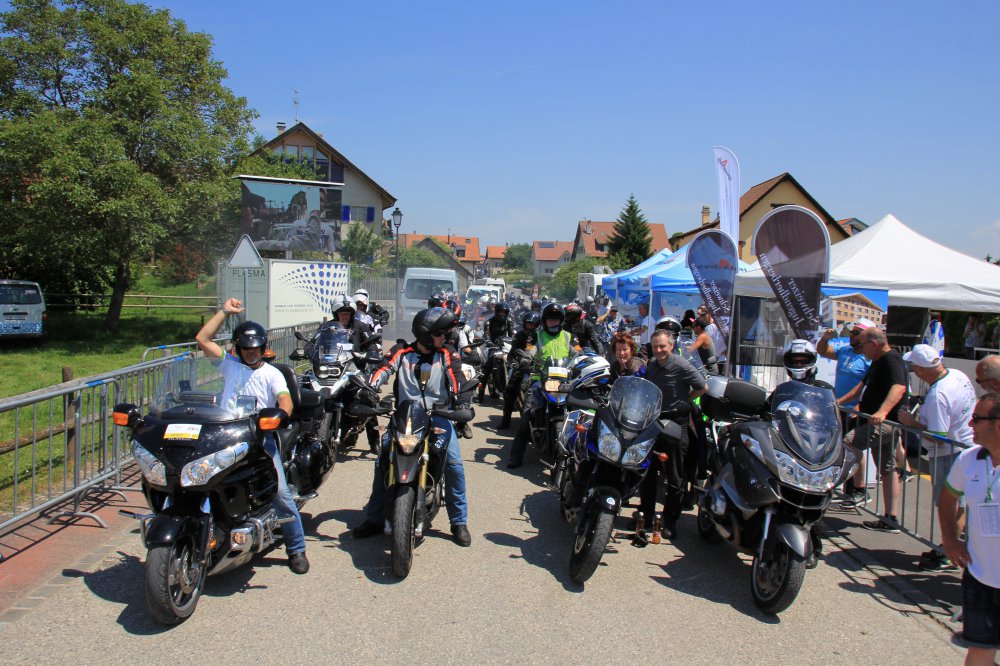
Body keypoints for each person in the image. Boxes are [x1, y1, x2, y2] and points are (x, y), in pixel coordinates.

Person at [195, 298, 309, 574]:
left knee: (280, 492)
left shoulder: (272, 374)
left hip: (259, 438)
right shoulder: (229, 364)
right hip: (225, 434)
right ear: (238, 348)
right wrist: (224, 311)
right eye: (246, 348)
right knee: (199, 479)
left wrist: (279, 415)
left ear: (263, 347)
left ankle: (296, 548)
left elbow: (285, 400)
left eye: (255, 348)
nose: (251, 352)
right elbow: (202, 339)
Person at [351, 307, 472, 547]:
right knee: (383, 461)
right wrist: (368, 389)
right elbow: (383, 369)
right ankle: (375, 518)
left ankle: (458, 522)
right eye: (440, 333)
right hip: (405, 416)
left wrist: (462, 400)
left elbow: (456, 376)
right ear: (426, 334)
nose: (445, 337)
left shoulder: (447, 353)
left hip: (438, 415)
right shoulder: (402, 351)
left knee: (454, 465)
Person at [896, 344, 975, 572]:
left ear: (921, 370)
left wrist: (910, 422)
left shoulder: (938, 395)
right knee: (957, 504)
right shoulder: (957, 375)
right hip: (964, 446)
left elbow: (939, 437)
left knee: (951, 505)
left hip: (949, 453)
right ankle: (950, 548)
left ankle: (950, 553)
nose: (914, 371)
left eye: (914, 367)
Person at [939, 392, 1000, 666]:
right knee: (978, 654)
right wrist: (950, 540)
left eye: (977, 418)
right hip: (979, 578)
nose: (970, 424)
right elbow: (947, 499)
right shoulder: (968, 459)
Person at [635, 329, 706, 539]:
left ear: (671, 346)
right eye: (655, 346)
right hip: (653, 422)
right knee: (647, 472)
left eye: (662, 346)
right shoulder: (651, 365)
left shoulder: (682, 365)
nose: (659, 350)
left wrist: (686, 401)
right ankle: (646, 516)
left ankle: (670, 521)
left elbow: (702, 386)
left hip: (676, 424)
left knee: (675, 477)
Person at [838, 327, 909, 533]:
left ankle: (859, 489)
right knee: (887, 468)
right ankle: (890, 519)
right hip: (875, 421)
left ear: (874, 344)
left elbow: (899, 387)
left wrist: (882, 412)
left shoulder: (891, 359)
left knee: (849, 442)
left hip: (884, 423)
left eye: (863, 345)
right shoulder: (877, 361)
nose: (861, 349)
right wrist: (838, 402)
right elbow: (860, 388)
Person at [774, 339, 832, 569]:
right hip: (788, 447)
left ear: (812, 361)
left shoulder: (824, 390)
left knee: (816, 494)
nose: (798, 364)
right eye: (794, 360)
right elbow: (767, 410)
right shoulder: (783, 389)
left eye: (803, 360)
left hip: (813, 449)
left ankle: (814, 541)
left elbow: (833, 420)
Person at [507, 303, 578, 468]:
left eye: (556, 320)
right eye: (550, 320)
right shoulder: (536, 336)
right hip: (540, 380)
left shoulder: (569, 336)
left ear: (561, 321)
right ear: (545, 321)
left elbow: (579, 352)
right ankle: (515, 456)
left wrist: (584, 360)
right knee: (527, 416)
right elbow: (529, 351)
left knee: (577, 413)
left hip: (564, 381)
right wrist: (525, 360)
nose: (553, 323)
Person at [817, 319, 874, 434]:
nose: (851, 335)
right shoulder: (845, 350)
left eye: (856, 333)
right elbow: (822, 351)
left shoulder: (870, 359)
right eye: (851, 332)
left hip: (855, 413)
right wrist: (825, 338)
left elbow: (872, 387)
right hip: (839, 407)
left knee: (848, 443)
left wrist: (860, 405)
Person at [498, 311, 541, 430]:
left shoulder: (541, 336)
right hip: (521, 366)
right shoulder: (520, 335)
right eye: (528, 324)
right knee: (510, 391)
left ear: (537, 325)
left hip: (538, 368)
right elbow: (513, 351)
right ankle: (506, 420)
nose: (529, 327)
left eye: (532, 325)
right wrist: (516, 363)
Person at [478, 302, 515, 402]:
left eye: (504, 312)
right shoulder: (489, 322)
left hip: (504, 346)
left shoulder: (508, 321)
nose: (502, 314)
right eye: (501, 312)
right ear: (497, 312)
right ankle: (481, 393)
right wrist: (489, 342)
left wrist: (514, 342)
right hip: (492, 346)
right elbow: (486, 335)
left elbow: (511, 335)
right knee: (487, 367)